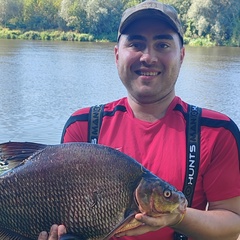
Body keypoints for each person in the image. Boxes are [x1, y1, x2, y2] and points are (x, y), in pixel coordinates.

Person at [38, 0, 240, 239]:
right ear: (116, 55)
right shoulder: (82, 125)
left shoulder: (216, 131)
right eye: (136, 43)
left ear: (182, 56)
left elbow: (233, 222)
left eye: (163, 44)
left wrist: (179, 217)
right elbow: (51, 207)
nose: (148, 57)